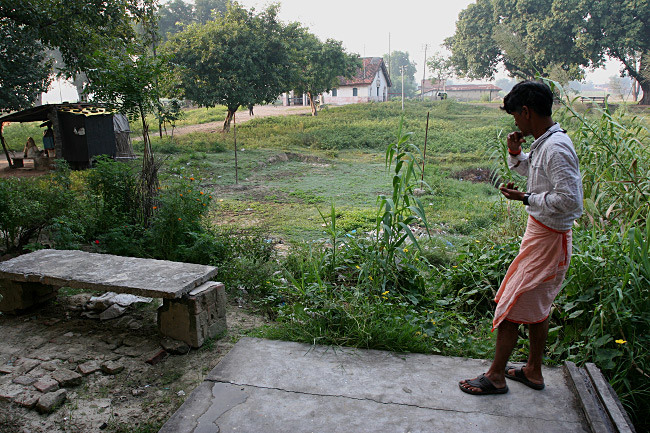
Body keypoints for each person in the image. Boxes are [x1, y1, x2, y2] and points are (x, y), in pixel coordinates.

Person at [459, 81, 583, 395]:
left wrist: (526, 198)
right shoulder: (547, 142)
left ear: (526, 112)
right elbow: (534, 172)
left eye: (515, 115)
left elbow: (570, 201)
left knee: (510, 304)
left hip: (548, 241)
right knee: (538, 308)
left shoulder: (556, 148)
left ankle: (496, 376)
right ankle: (533, 371)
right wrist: (515, 153)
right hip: (544, 237)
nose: (515, 122)